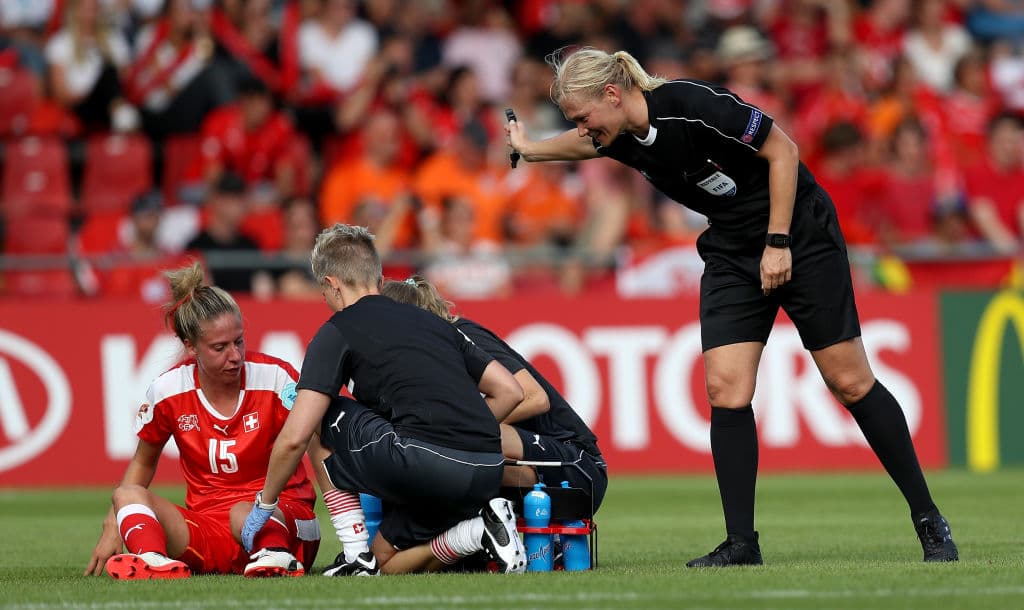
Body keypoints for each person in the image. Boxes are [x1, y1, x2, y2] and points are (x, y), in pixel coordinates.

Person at [505, 46, 958, 566]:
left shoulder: (694, 105)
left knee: (850, 381)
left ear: (612, 94)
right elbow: (586, 147)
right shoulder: (619, 135)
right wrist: (532, 149)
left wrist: (779, 242)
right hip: (731, 247)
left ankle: (928, 519)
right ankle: (742, 543)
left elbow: (783, 152)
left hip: (798, 234)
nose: (582, 130)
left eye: (583, 118)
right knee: (725, 387)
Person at [242, 224, 528, 575]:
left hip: (426, 464)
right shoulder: (435, 322)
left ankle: (353, 553)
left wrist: (264, 503)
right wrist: (462, 432)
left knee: (314, 411)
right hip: (485, 469)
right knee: (387, 564)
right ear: (378, 281)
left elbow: (295, 437)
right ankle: (479, 531)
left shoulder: (337, 330)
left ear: (331, 284)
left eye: (323, 291)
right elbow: (511, 391)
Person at [85, 262, 320, 580]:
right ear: (190, 347)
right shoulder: (169, 390)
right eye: (220, 348)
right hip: (210, 530)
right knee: (125, 495)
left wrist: (352, 529)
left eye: (238, 341)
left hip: (283, 517)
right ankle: (153, 563)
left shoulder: (275, 377)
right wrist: (115, 521)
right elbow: (142, 463)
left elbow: (320, 443)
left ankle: (274, 556)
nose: (235, 355)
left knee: (243, 511)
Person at [380, 275, 607, 513]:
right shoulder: (429, 359)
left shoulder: (464, 335)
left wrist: (457, 432)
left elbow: (534, 397)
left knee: (453, 437)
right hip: (533, 471)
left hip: (580, 469)